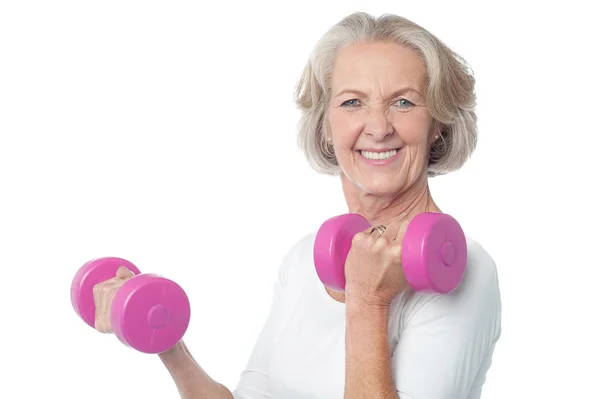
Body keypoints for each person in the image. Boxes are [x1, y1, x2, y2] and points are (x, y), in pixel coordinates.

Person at [93, 11, 502, 399]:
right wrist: (168, 343)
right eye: (352, 103)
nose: (378, 128)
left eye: (404, 102)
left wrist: (368, 300)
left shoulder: (464, 270)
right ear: (326, 127)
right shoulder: (305, 258)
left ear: (439, 125)